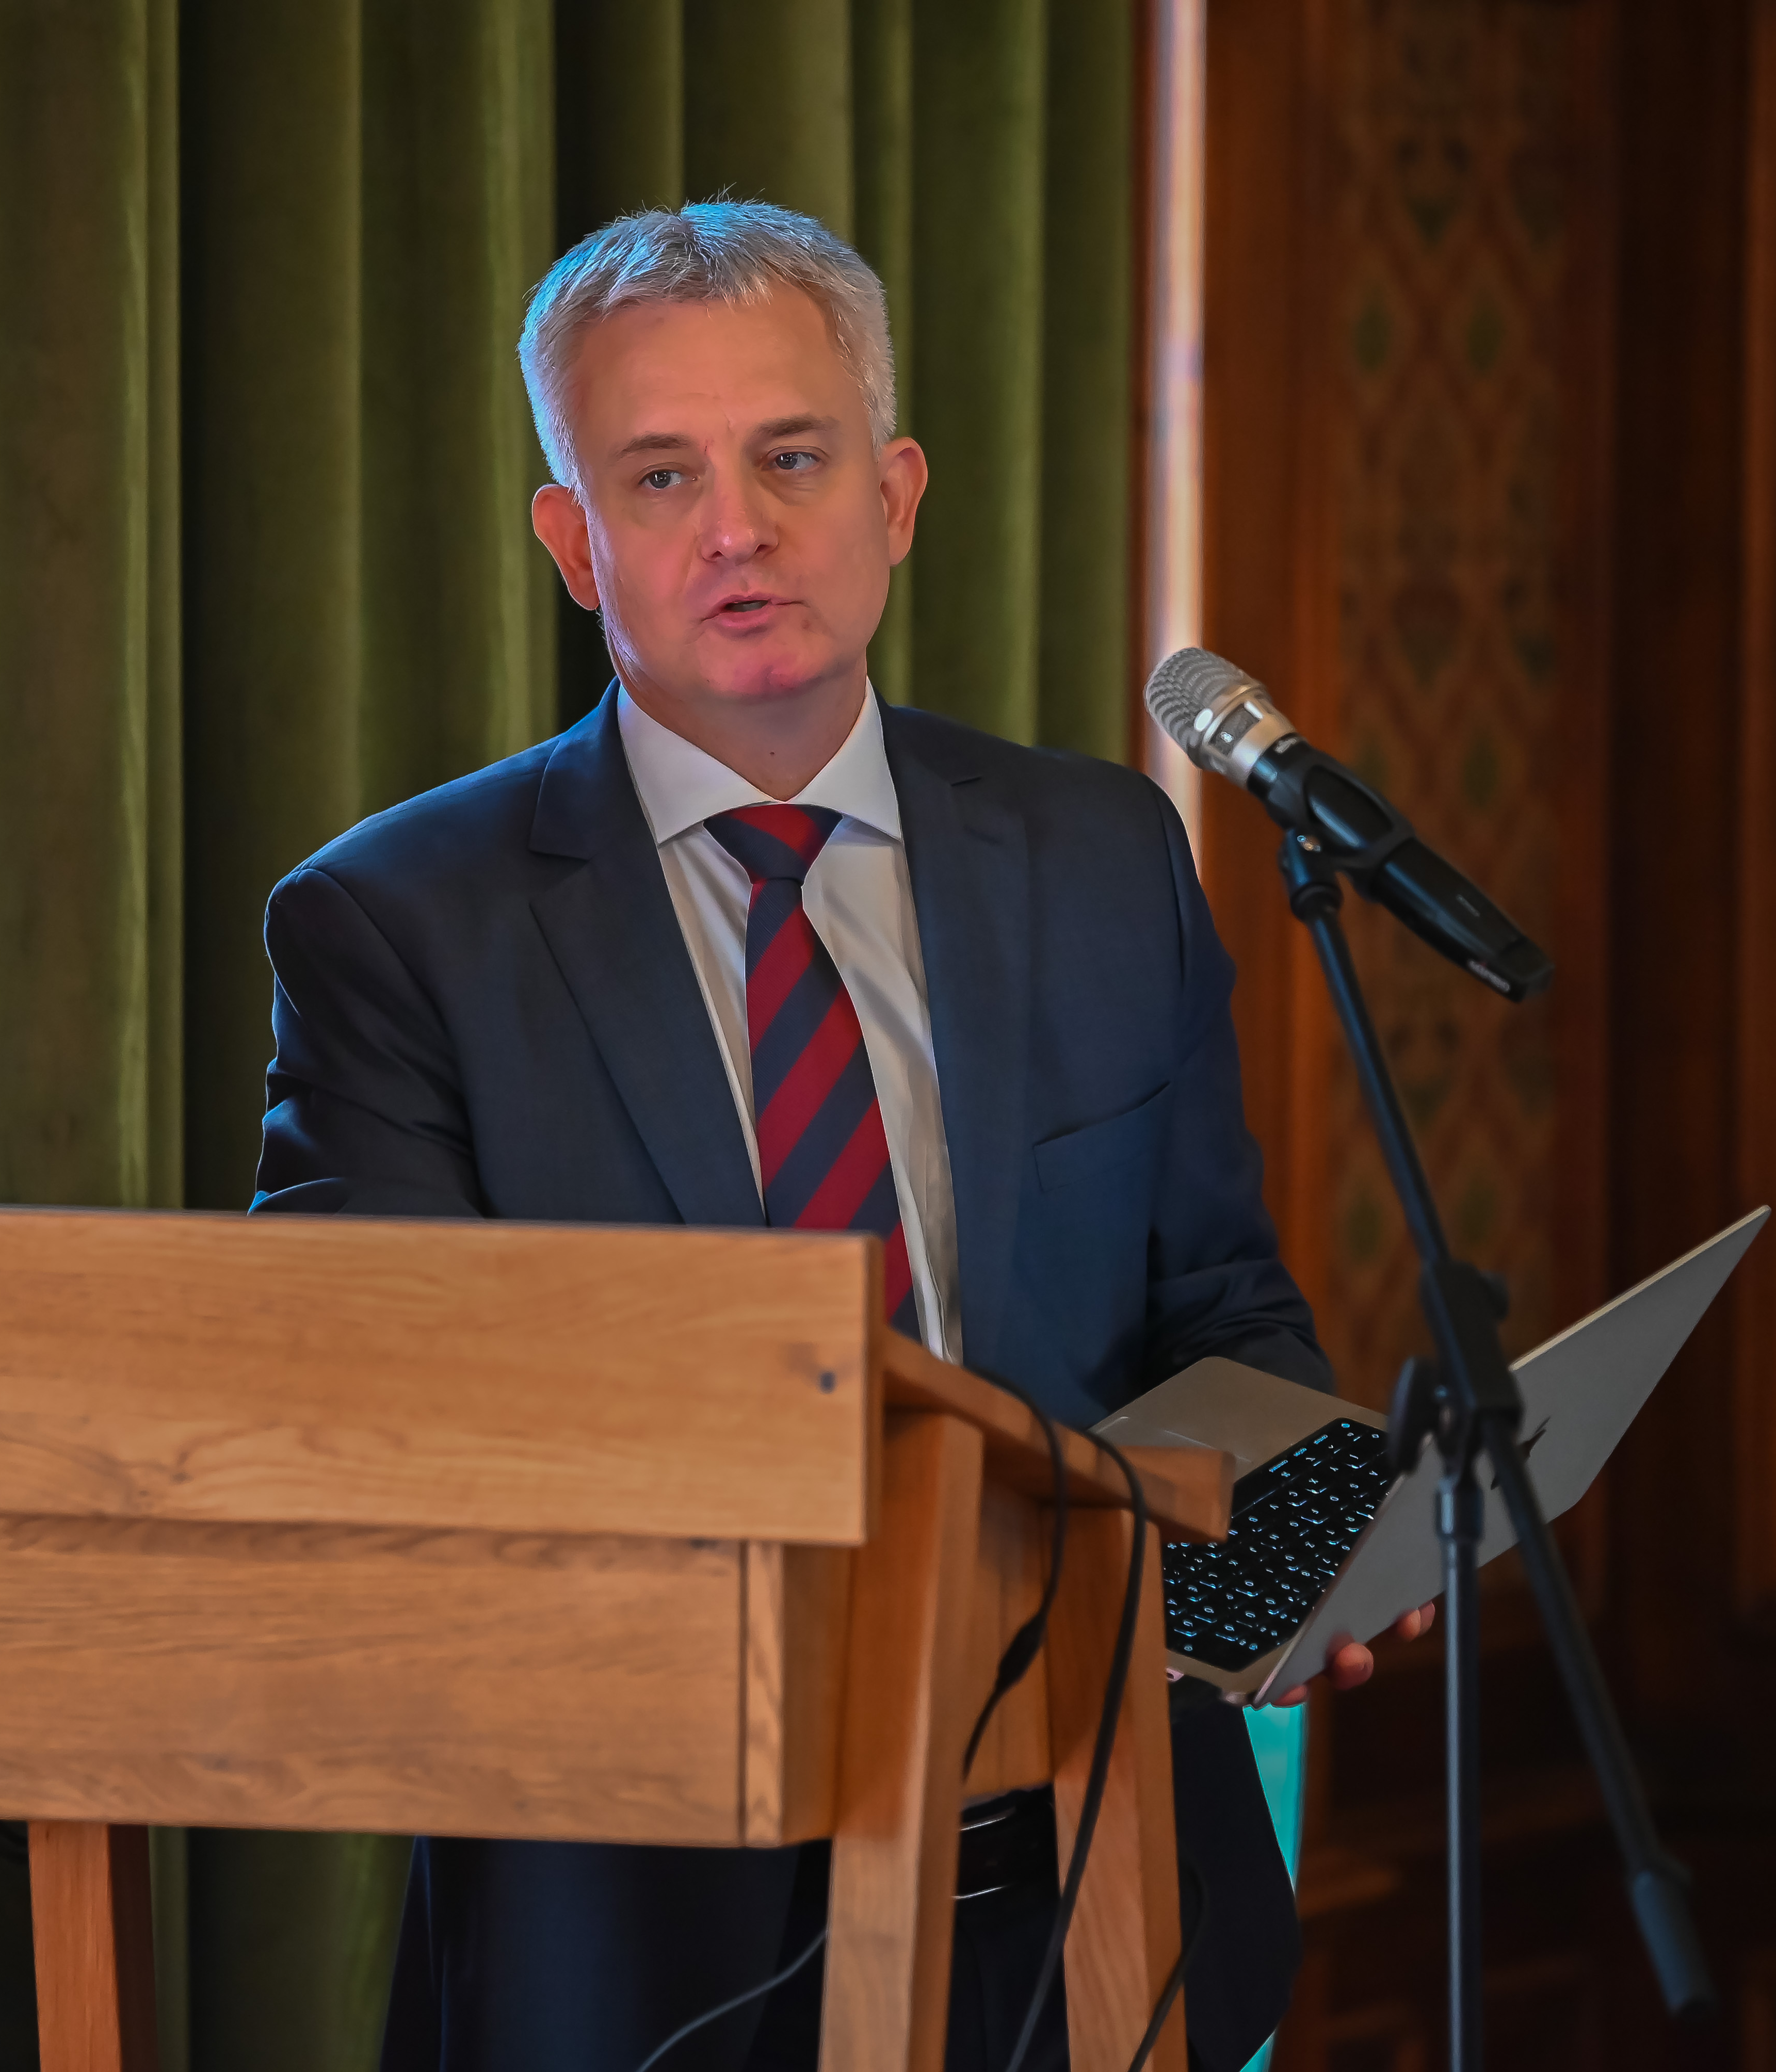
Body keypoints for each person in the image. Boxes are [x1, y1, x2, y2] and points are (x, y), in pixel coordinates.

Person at [254, 200, 1422, 2072]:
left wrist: (1297, 1534)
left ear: (895, 494)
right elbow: (387, 1433)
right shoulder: (398, 925)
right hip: (642, 1936)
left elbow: (1213, 1303)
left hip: (1101, 1886)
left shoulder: (1105, 855)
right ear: (574, 544)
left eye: (791, 458)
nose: (737, 528)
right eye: (661, 475)